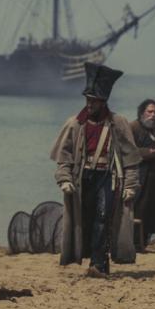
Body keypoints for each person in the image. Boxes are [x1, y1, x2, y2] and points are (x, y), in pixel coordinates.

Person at [51, 62, 140, 276]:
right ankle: (95, 260)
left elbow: (131, 158)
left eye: (94, 100)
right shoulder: (75, 124)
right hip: (83, 177)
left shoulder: (118, 122)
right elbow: (64, 157)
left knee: (103, 217)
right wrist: (64, 179)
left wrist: (130, 185)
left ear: (103, 102)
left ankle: (98, 264)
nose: (89, 104)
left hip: (108, 177)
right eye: (88, 100)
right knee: (86, 219)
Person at [129, 98, 155, 250]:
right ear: (142, 113)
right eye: (149, 112)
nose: (153, 115)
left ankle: (144, 241)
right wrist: (147, 153)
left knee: (153, 211)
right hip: (139, 177)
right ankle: (134, 242)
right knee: (138, 209)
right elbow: (126, 150)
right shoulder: (133, 127)